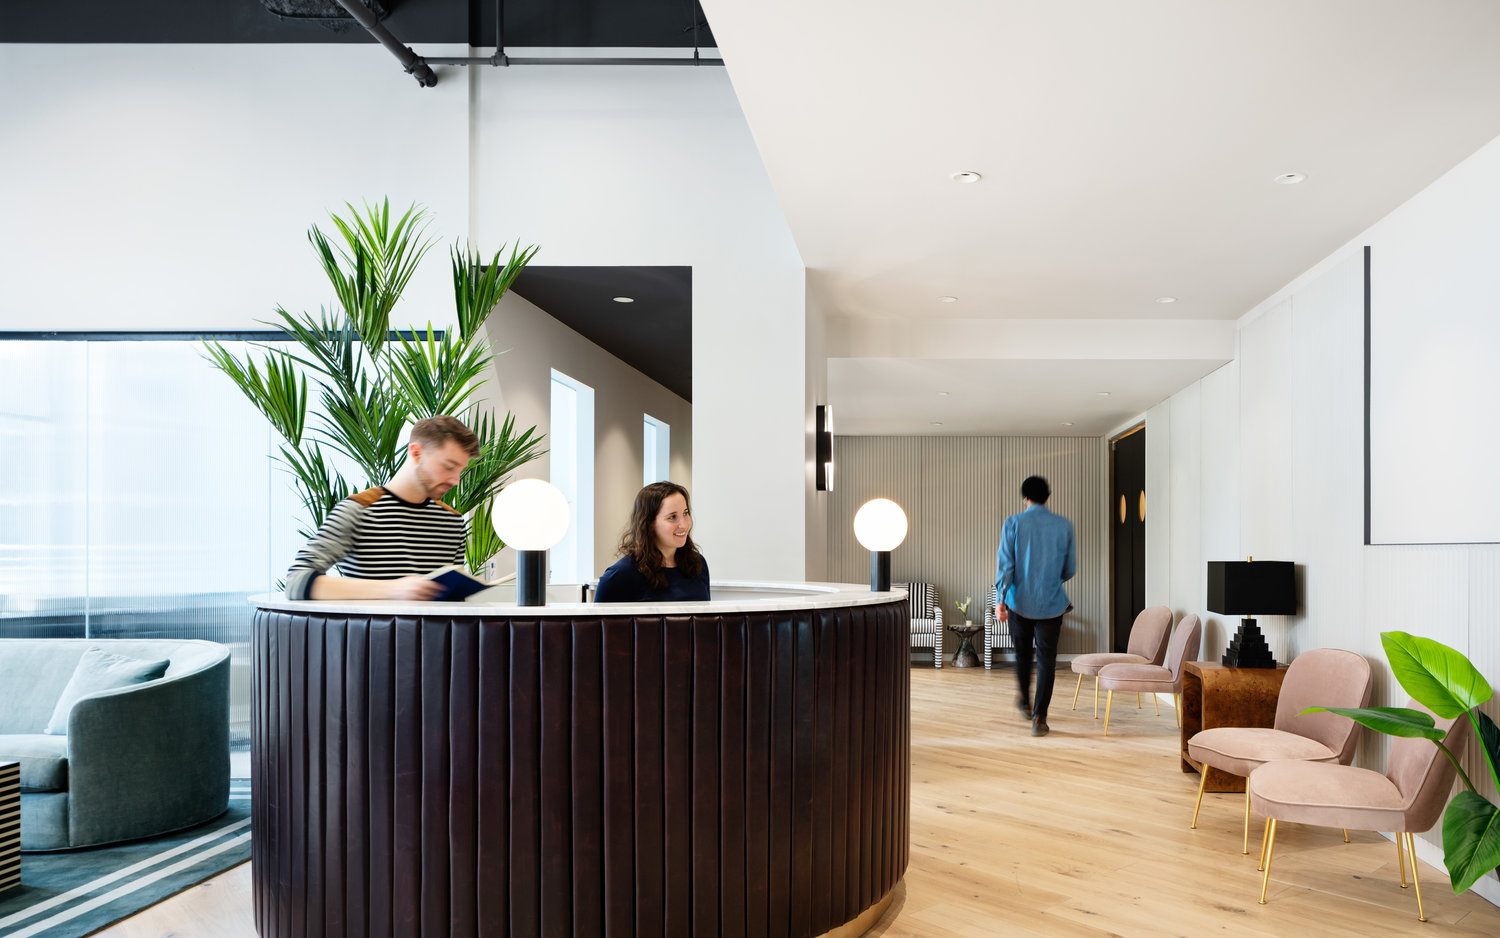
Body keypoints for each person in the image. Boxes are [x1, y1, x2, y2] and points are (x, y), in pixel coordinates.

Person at [285, 415, 479, 601]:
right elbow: (296, 581)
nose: (455, 480)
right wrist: (393, 589)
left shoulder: (452, 522)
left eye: (460, 470)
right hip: (372, 626)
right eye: (449, 467)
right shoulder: (358, 510)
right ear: (416, 453)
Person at [995, 475, 1077, 737]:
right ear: (1048, 497)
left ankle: (1024, 702)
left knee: (1022, 656)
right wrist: (1049, 579)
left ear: (1025, 498)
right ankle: (1040, 718)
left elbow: (1006, 567)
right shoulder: (1064, 525)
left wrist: (1000, 601)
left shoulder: (1013, 523)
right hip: (1052, 604)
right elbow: (1070, 569)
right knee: (1046, 661)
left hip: (1018, 603)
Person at [594, 481, 710, 603]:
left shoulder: (698, 563)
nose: (684, 524)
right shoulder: (621, 574)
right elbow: (599, 616)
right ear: (649, 523)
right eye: (672, 517)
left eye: (685, 513)